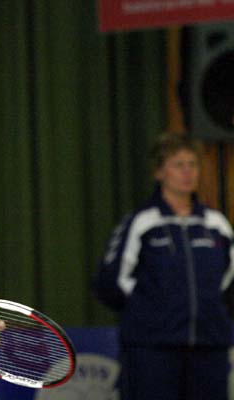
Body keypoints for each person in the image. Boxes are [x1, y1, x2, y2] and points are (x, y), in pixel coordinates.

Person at [95, 133, 234, 400]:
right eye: (178, 164)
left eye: (193, 164)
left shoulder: (216, 224)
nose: (187, 172)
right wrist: (151, 313)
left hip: (209, 347)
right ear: (159, 172)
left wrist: (212, 312)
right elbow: (110, 281)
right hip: (152, 350)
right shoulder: (142, 222)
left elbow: (229, 280)